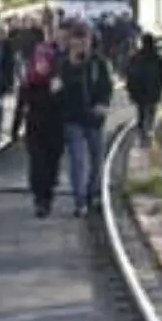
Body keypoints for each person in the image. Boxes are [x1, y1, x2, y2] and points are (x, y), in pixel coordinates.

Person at [59, 22, 113, 217]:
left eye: (85, 39)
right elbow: (58, 88)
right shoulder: (63, 62)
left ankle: (93, 193)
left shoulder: (99, 62)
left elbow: (107, 86)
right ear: (71, 41)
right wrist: (72, 65)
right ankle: (79, 199)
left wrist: (103, 103)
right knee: (77, 160)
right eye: (77, 39)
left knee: (97, 158)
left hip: (94, 118)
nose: (81, 44)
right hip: (72, 118)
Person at [13, 40, 65, 217]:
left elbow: (21, 105)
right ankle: (42, 199)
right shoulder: (34, 81)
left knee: (45, 164)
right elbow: (21, 105)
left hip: (47, 127)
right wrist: (15, 129)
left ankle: (43, 197)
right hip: (41, 128)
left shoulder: (48, 81)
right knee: (41, 163)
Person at [126, 33, 162, 146]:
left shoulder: (135, 57)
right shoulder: (158, 57)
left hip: (139, 89)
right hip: (153, 88)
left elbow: (130, 73)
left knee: (141, 111)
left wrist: (130, 89)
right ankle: (149, 129)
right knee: (151, 109)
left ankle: (142, 132)